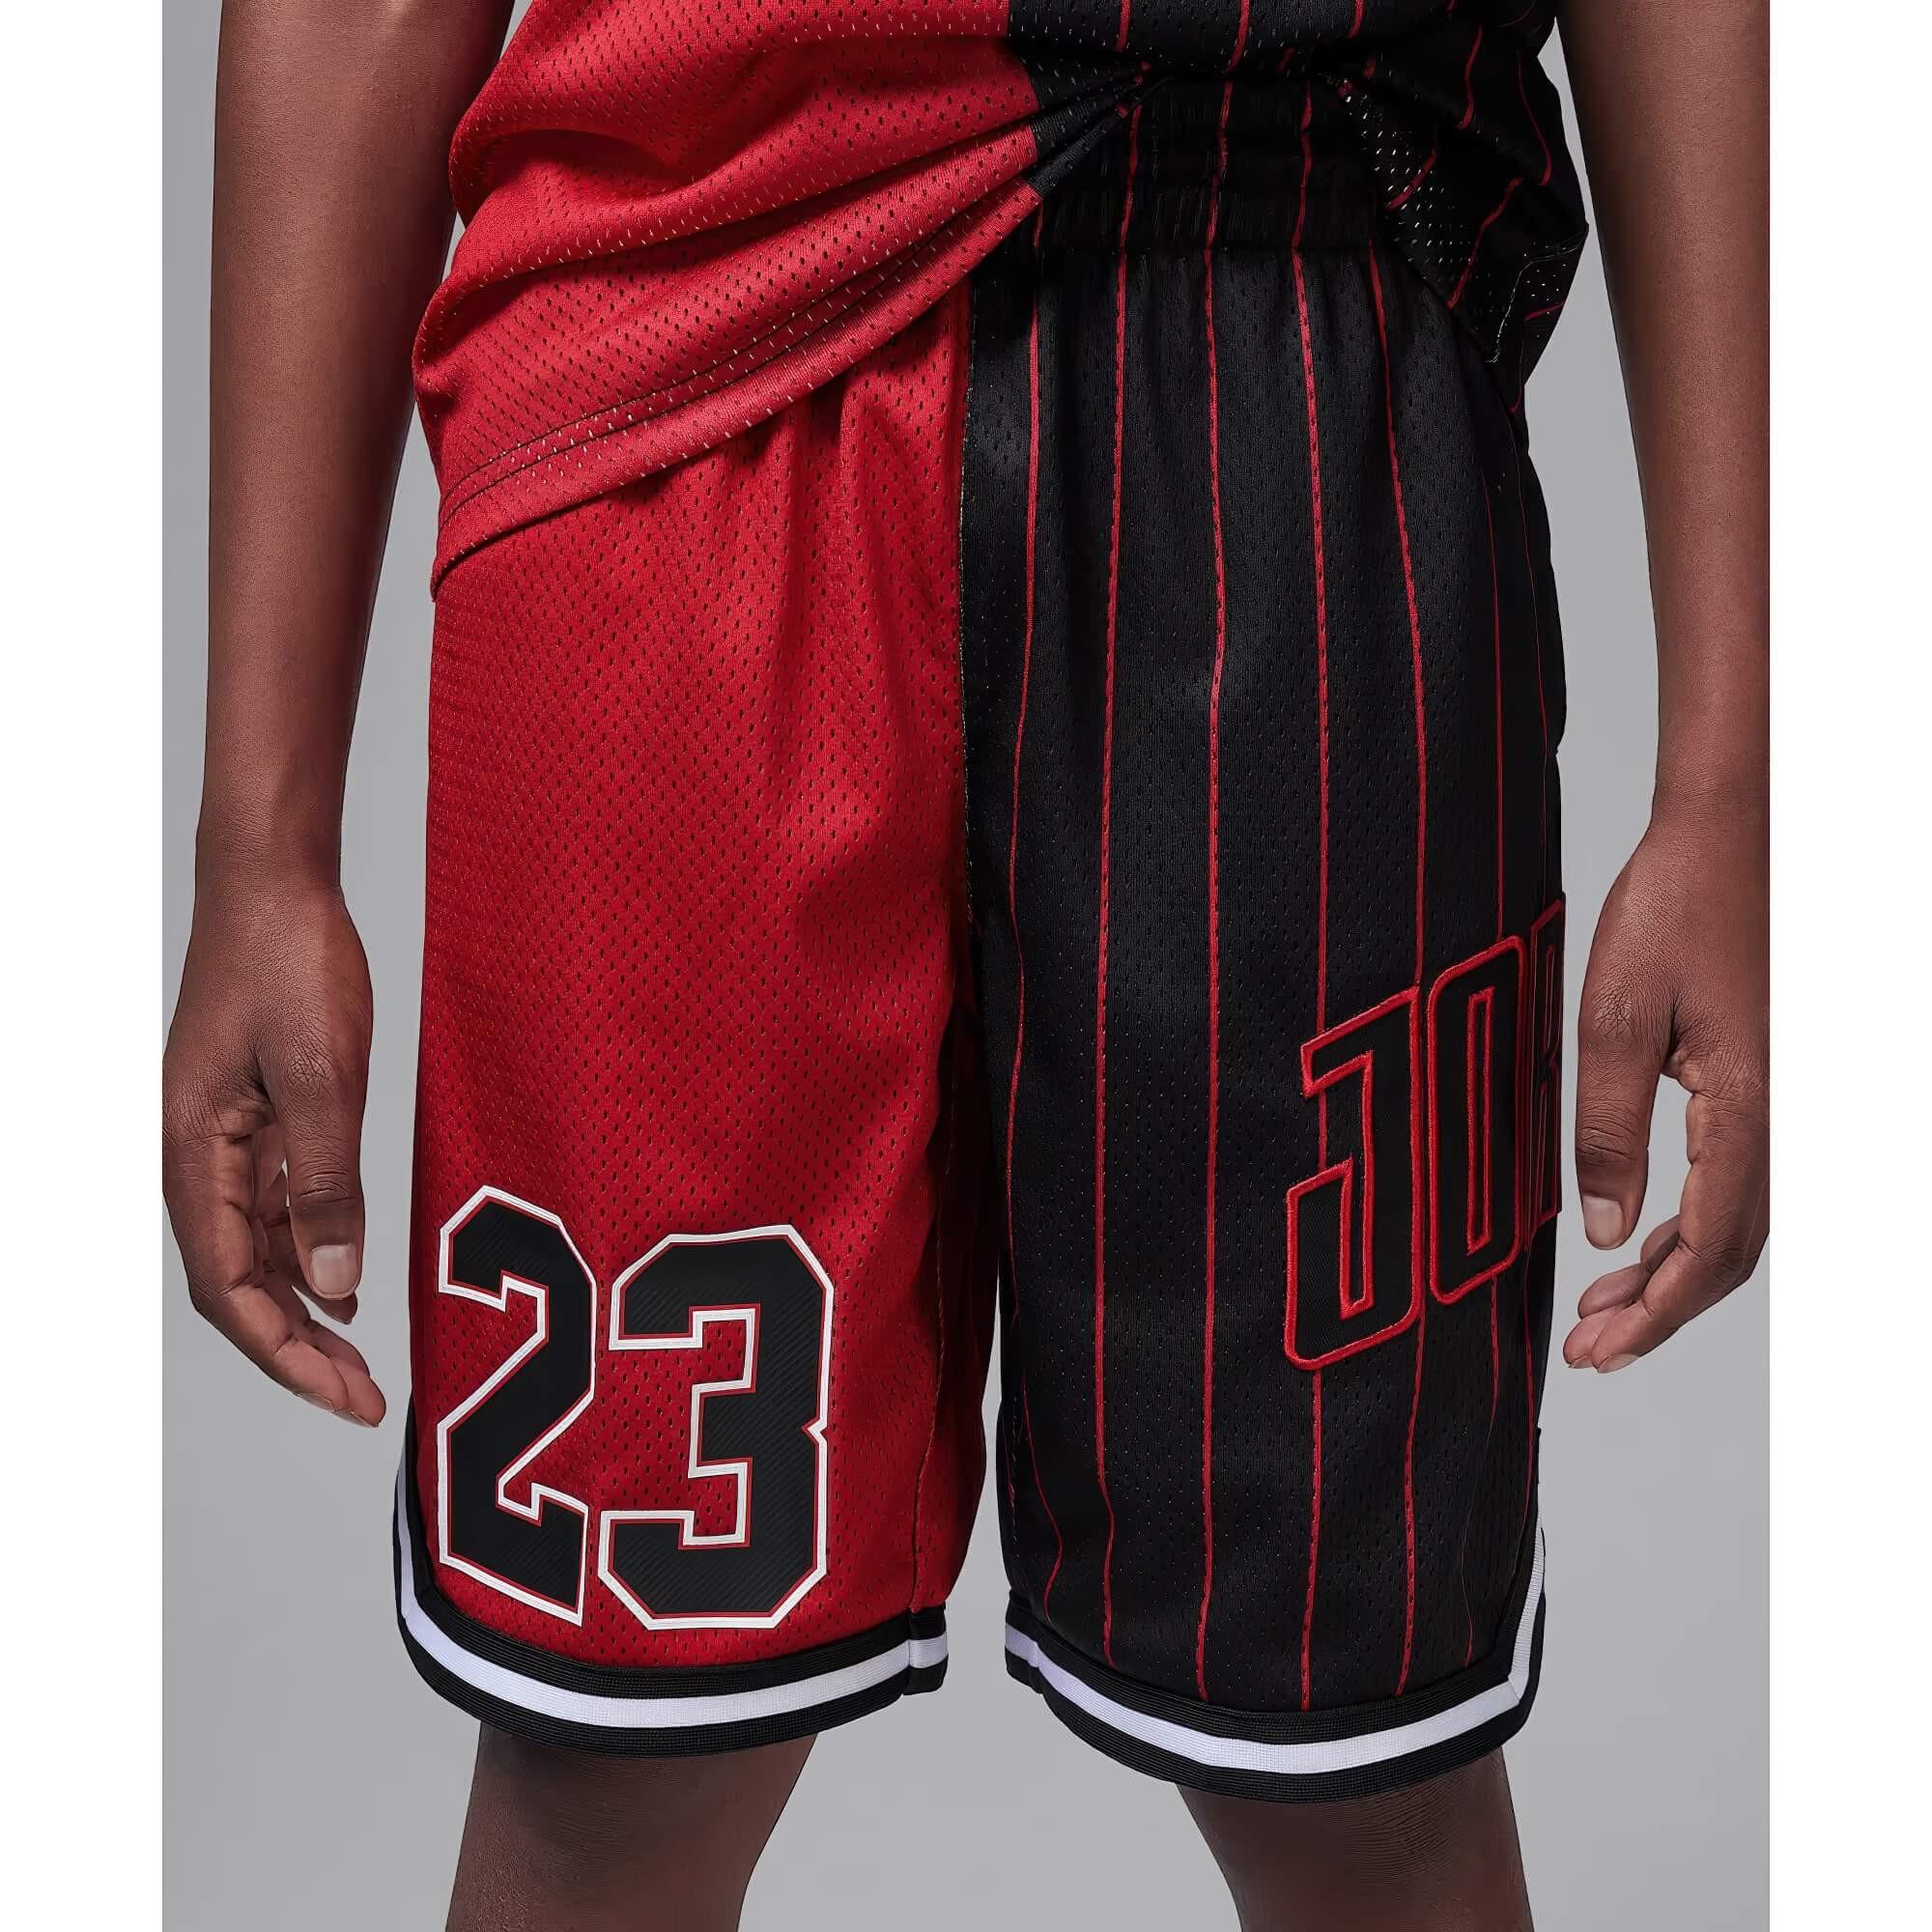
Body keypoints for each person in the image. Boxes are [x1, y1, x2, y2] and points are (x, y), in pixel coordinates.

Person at [163, 2, 1767, 1925]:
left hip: (1300, 341)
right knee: (618, 1760)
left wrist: (1728, 777)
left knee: (1353, 1750)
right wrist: (261, 840)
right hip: (688, 358)